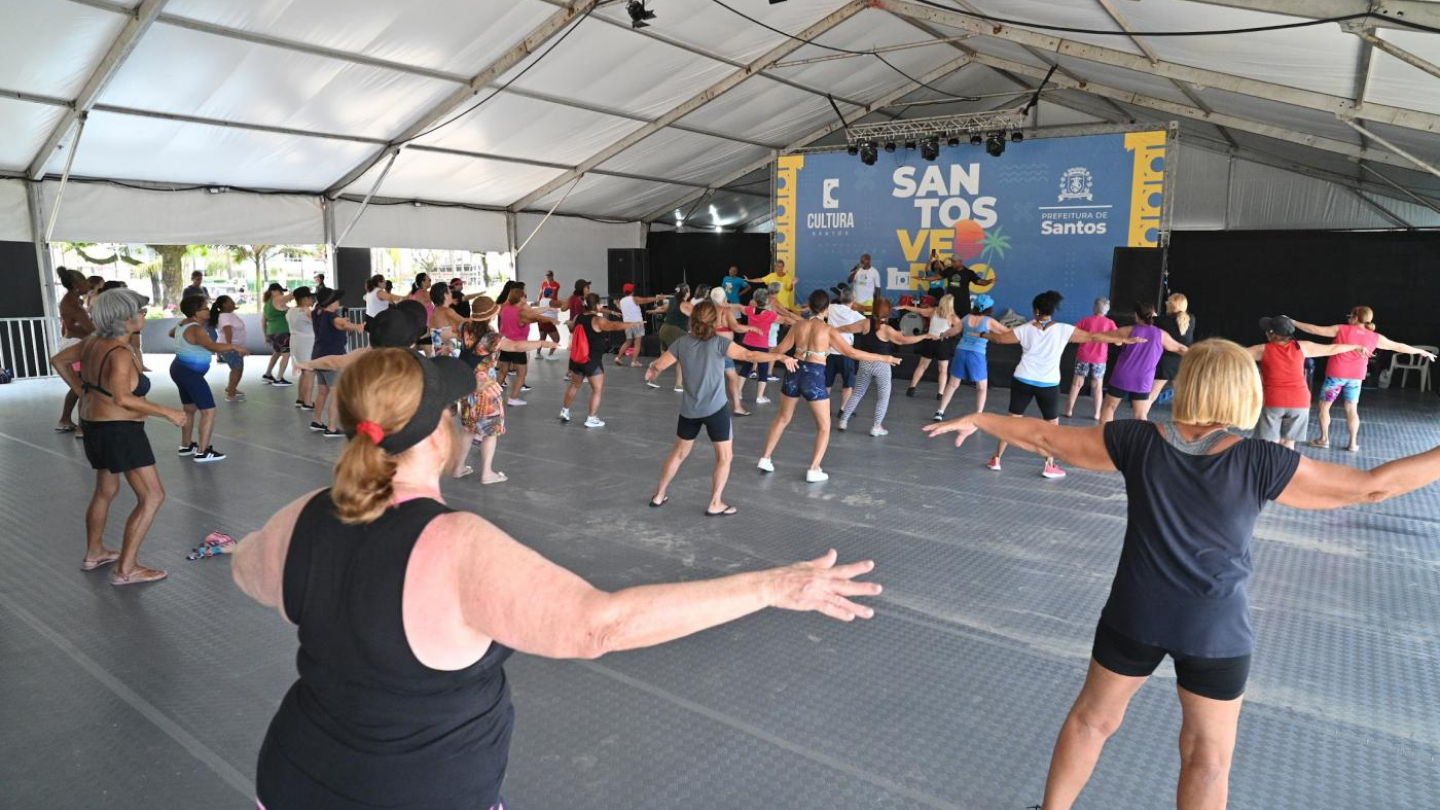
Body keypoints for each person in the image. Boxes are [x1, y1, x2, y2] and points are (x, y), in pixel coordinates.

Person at [230, 347, 882, 810]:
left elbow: (248, 567)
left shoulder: (304, 517)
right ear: (438, 435)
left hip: (292, 777)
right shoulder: (455, 545)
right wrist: (772, 586)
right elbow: (597, 626)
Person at [924, 338, 1440, 810]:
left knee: (1091, 722)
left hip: (1135, 615)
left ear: (1189, 383)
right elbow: (1373, 487)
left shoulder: (1136, 440)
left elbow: (1045, 439)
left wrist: (984, 419)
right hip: (1214, 629)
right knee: (1207, 756)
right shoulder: (1261, 460)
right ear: (1243, 391)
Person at [51, 290, 187, 586]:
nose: (144, 316)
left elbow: (58, 360)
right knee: (153, 495)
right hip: (119, 431)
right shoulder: (122, 352)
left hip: (94, 425)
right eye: (141, 311)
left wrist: (82, 390)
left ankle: (95, 552)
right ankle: (127, 569)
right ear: (126, 318)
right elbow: (124, 398)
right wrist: (168, 413)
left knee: (105, 489)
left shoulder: (93, 342)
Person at [645, 301, 796, 514]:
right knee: (724, 457)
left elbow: (659, 365)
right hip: (716, 411)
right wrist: (779, 356)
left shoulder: (681, 343)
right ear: (714, 321)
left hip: (690, 411)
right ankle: (715, 503)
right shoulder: (720, 343)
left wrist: (652, 370)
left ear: (693, 319)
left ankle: (659, 495)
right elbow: (750, 356)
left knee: (678, 454)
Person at [982, 290, 1140, 479]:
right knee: (1052, 427)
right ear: (1051, 311)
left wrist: (983, 334)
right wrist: (1122, 340)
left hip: (1022, 379)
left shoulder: (1025, 328)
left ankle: (996, 459)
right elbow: (1094, 337)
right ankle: (1049, 465)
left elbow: (999, 339)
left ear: (1035, 310)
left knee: (1011, 421)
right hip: (1047, 383)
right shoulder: (1064, 329)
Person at [756, 289, 900, 483]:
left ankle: (765, 458)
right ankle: (814, 469)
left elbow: (779, 350)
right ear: (827, 309)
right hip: (814, 376)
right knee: (824, 426)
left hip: (794, 372)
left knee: (782, 418)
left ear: (809, 303)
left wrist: (764, 353)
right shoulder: (827, 330)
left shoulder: (798, 326)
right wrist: (884, 357)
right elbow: (853, 353)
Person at [1293, 306, 1436, 452]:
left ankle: (1324, 439)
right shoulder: (1375, 337)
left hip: (1336, 375)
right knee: (1352, 409)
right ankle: (1353, 443)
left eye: (1350, 315)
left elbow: (1314, 329)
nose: (1348, 318)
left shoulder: (1341, 329)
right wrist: (1421, 352)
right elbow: (1398, 347)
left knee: (1324, 407)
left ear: (1355, 317)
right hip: (1356, 378)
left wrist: (1293, 322)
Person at [455, 298, 557, 484]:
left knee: (468, 429)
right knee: (490, 432)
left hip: (465, 386)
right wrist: (541, 343)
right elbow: (516, 346)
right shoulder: (492, 338)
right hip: (486, 389)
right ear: (492, 314)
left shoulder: (465, 328)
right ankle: (487, 474)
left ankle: (459, 468)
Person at [1245, 315, 1362, 450]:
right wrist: (1355, 346)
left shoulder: (1262, 349)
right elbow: (1331, 349)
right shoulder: (1302, 347)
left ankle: (1269, 469)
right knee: (1289, 445)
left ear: (1271, 333)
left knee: (1269, 445)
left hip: (1274, 400)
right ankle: (1286, 470)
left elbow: (1234, 354)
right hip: (1300, 402)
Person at [838, 297, 931, 436]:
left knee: (857, 393)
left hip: (865, 362)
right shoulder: (886, 329)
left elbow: (846, 328)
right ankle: (876, 427)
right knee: (883, 397)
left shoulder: (865, 323)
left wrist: (830, 329)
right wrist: (924, 336)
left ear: (873, 310)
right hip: (882, 364)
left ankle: (843, 420)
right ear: (888, 314)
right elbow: (903, 340)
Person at [171, 295, 248, 462]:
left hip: (179, 369)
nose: (208, 310)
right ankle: (203, 451)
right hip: (189, 373)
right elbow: (212, 346)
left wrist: (188, 342)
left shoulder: (183, 324)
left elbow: (172, 333)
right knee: (209, 411)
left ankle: (186, 446)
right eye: (205, 308)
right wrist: (235, 346)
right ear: (196, 313)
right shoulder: (196, 329)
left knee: (190, 409)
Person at [1098, 302, 1192, 424]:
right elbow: (1181, 349)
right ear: (1153, 314)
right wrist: (1202, 358)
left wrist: (1121, 340)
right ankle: (1141, 442)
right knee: (1141, 415)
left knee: (1109, 407)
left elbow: (1101, 337)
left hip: (1122, 375)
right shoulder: (1161, 334)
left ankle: (1103, 439)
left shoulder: (1127, 330)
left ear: (1136, 315)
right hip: (1143, 379)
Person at [561, 294, 641, 428]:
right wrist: (633, 323)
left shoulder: (578, 317)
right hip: (592, 361)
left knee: (574, 386)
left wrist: (569, 324)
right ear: (597, 305)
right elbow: (614, 326)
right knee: (597, 389)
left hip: (577, 359)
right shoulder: (598, 321)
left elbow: (572, 327)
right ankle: (591, 418)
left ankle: (565, 411)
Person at [934, 294, 1011, 421]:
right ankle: (978, 416)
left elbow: (953, 331)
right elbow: (1007, 332)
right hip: (976, 355)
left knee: (952, 384)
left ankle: (939, 412)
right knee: (981, 388)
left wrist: (943, 334)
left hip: (961, 351)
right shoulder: (989, 321)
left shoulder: (966, 318)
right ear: (988, 309)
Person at [309, 289, 366, 437]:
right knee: (335, 392)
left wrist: (346, 323)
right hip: (332, 360)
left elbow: (338, 323)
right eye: (336, 300)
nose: (338, 302)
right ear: (330, 302)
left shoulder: (317, 313)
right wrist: (358, 326)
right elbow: (341, 323)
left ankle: (316, 421)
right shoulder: (333, 317)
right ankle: (332, 427)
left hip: (317, 356)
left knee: (322, 391)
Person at [496, 286, 555, 406]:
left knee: (502, 372)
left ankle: (491, 397)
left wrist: (546, 308)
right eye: (524, 296)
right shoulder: (520, 312)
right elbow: (534, 314)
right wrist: (548, 311)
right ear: (520, 298)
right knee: (521, 373)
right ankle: (513, 398)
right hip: (518, 345)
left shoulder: (505, 308)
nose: (526, 298)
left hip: (505, 344)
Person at [56, 269, 96, 433]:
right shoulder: (74, 306)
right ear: (76, 285)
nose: (89, 284)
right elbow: (91, 330)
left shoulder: (73, 301)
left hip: (74, 342)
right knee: (84, 386)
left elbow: (70, 328)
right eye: (85, 281)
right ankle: (82, 427)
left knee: (77, 386)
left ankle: (65, 419)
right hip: (76, 346)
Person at [1066, 298, 1118, 420]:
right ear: (1107, 309)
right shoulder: (1110, 323)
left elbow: (1072, 335)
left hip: (1083, 356)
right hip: (1099, 359)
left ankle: (1069, 410)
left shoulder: (1084, 321)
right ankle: (1096, 414)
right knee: (1097, 387)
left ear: (1094, 307)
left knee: (1076, 384)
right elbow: (1118, 342)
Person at [901, 293, 961, 399]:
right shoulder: (953, 317)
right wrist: (948, 334)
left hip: (930, 341)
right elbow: (959, 328)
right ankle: (940, 394)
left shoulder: (933, 311)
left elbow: (919, 311)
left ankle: (911, 388)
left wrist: (905, 306)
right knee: (943, 370)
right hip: (942, 343)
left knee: (922, 366)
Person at [708, 287, 755, 416]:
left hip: (711, 348)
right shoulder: (726, 311)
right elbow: (735, 327)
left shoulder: (708, 311)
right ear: (724, 298)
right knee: (732, 378)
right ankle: (737, 407)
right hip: (724, 349)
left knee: (713, 378)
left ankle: (710, 405)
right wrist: (750, 328)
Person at [736, 287, 781, 408]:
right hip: (761, 345)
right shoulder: (770, 314)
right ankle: (759, 397)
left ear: (755, 299)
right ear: (766, 300)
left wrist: (725, 304)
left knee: (746, 367)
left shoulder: (750, 310)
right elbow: (784, 319)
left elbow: (738, 306)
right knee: (763, 370)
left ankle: (738, 393)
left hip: (748, 343)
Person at [824, 287, 867, 413]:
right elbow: (866, 325)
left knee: (827, 382)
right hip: (846, 352)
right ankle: (844, 409)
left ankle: (824, 408)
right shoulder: (855, 315)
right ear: (853, 299)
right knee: (848, 383)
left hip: (830, 351)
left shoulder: (831, 308)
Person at [1150, 292, 1195, 403]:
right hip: (1183, 361)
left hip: (1165, 362)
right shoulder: (1192, 319)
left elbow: (1154, 322)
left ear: (1170, 305)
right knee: (1183, 398)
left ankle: (1141, 417)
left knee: (1152, 394)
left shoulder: (1161, 321)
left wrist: (1154, 317)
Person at [652, 286, 692, 392]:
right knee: (681, 358)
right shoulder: (684, 304)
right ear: (686, 293)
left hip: (664, 329)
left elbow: (665, 309)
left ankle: (652, 378)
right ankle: (679, 385)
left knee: (664, 357)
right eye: (689, 290)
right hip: (675, 331)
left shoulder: (673, 300)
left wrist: (656, 310)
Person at [210, 295, 249, 403]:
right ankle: (231, 395)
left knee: (236, 369)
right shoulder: (225, 316)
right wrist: (231, 347)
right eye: (230, 301)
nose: (233, 303)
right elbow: (228, 331)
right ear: (224, 305)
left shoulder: (228, 315)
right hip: (230, 347)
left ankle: (231, 388)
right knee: (237, 369)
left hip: (232, 347)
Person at [616, 283, 662, 367]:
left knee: (628, 341)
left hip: (627, 324)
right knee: (637, 343)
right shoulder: (634, 299)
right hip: (637, 323)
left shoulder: (622, 300)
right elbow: (645, 300)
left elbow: (620, 307)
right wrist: (657, 298)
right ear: (632, 291)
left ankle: (618, 357)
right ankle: (634, 361)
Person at [286, 287, 317, 411]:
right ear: (304, 299)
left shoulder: (291, 311)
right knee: (310, 372)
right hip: (307, 343)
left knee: (304, 371)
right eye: (310, 297)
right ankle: (307, 402)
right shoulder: (306, 311)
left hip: (296, 342)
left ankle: (300, 398)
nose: (312, 299)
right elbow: (317, 322)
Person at [261, 283, 295, 387]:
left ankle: (267, 374)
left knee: (276, 353)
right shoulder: (277, 300)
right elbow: (291, 296)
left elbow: (263, 321)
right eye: (280, 291)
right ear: (273, 291)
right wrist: (302, 292)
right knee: (286, 354)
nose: (281, 294)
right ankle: (279, 378)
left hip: (272, 332)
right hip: (282, 332)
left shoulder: (267, 304)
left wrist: (265, 335)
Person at [534, 282, 563, 360]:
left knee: (542, 338)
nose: (553, 294)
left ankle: (538, 354)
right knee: (556, 339)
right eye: (552, 292)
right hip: (548, 322)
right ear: (550, 294)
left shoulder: (542, 300)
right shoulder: (550, 301)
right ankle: (550, 355)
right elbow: (561, 304)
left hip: (541, 321)